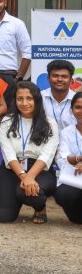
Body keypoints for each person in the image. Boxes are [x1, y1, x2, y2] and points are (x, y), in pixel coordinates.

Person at [0, 82, 58, 224]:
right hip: (12, 168)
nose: (24, 103)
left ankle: (40, 207)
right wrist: (23, 176)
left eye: (29, 98)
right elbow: (8, 153)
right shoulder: (7, 121)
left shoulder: (50, 123)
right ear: (14, 100)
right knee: (2, 215)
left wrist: (30, 177)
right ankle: (15, 197)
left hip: (39, 169)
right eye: (20, 99)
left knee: (28, 193)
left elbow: (47, 154)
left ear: (37, 100)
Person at [54, 92, 82, 224]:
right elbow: (62, 158)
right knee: (63, 194)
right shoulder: (66, 132)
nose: (81, 111)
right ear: (71, 110)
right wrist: (76, 161)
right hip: (75, 176)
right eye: (78, 107)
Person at [41, 59, 76, 135]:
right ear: (48, 79)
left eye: (64, 76)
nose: (59, 79)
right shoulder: (40, 98)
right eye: (55, 76)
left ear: (71, 80)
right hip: (44, 141)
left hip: (72, 142)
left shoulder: (78, 100)